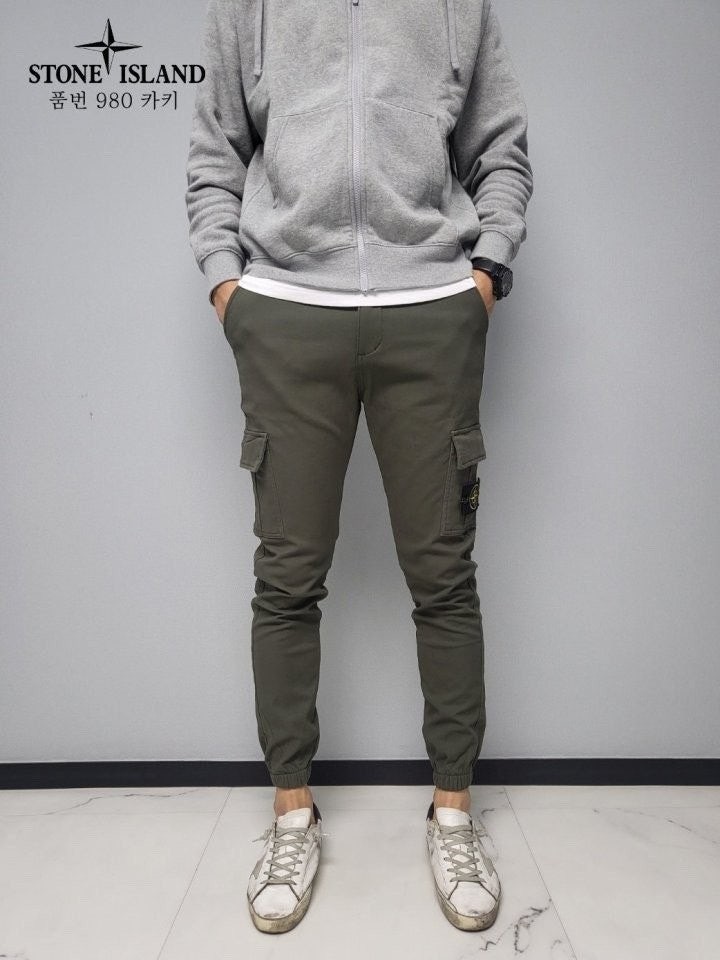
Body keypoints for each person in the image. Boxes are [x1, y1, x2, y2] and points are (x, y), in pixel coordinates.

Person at [186, 0, 533, 935]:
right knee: (287, 577)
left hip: (432, 308)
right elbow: (215, 148)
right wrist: (228, 283)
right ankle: (291, 815)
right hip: (286, 312)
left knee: (444, 574)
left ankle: (453, 813)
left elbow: (500, 146)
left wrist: (487, 271)